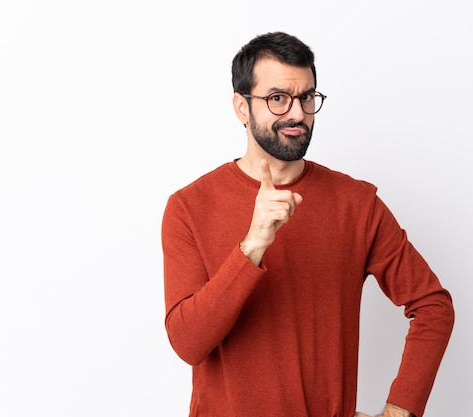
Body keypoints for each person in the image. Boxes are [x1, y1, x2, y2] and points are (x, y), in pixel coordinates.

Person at [162, 31, 454, 417]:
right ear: (241, 108)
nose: (297, 113)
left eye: (307, 98)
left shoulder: (356, 203)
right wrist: (251, 247)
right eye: (277, 99)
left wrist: (400, 410)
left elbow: (433, 305)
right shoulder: (189, 207)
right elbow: (188, 344)